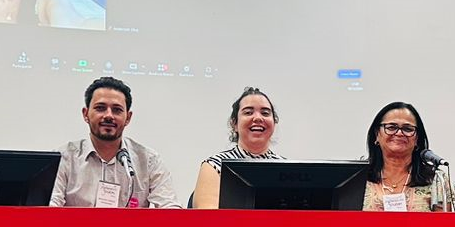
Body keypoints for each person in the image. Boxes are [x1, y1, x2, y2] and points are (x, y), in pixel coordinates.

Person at [51, 77, 180, 209]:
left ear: (128, 118)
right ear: (86, 114)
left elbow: (171, 208)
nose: (108, 115)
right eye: (100, 108)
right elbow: (48, 207)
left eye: (117, 110)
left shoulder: (149, 160)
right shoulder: (64, 158)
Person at [192, 87, 284, 209]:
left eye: (265, 113)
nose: (258, 118)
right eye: (248, 112)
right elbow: (207, 218)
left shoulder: (288, 169)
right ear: (234, 124)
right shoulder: (214, 166)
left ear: (274, 123)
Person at [362, 102, 441, 212]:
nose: (399, 133)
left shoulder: (435, 180)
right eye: (391, 127)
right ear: (376, 134)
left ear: (417, 138)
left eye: (408, 129)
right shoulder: (358, 178)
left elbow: (445, 226)